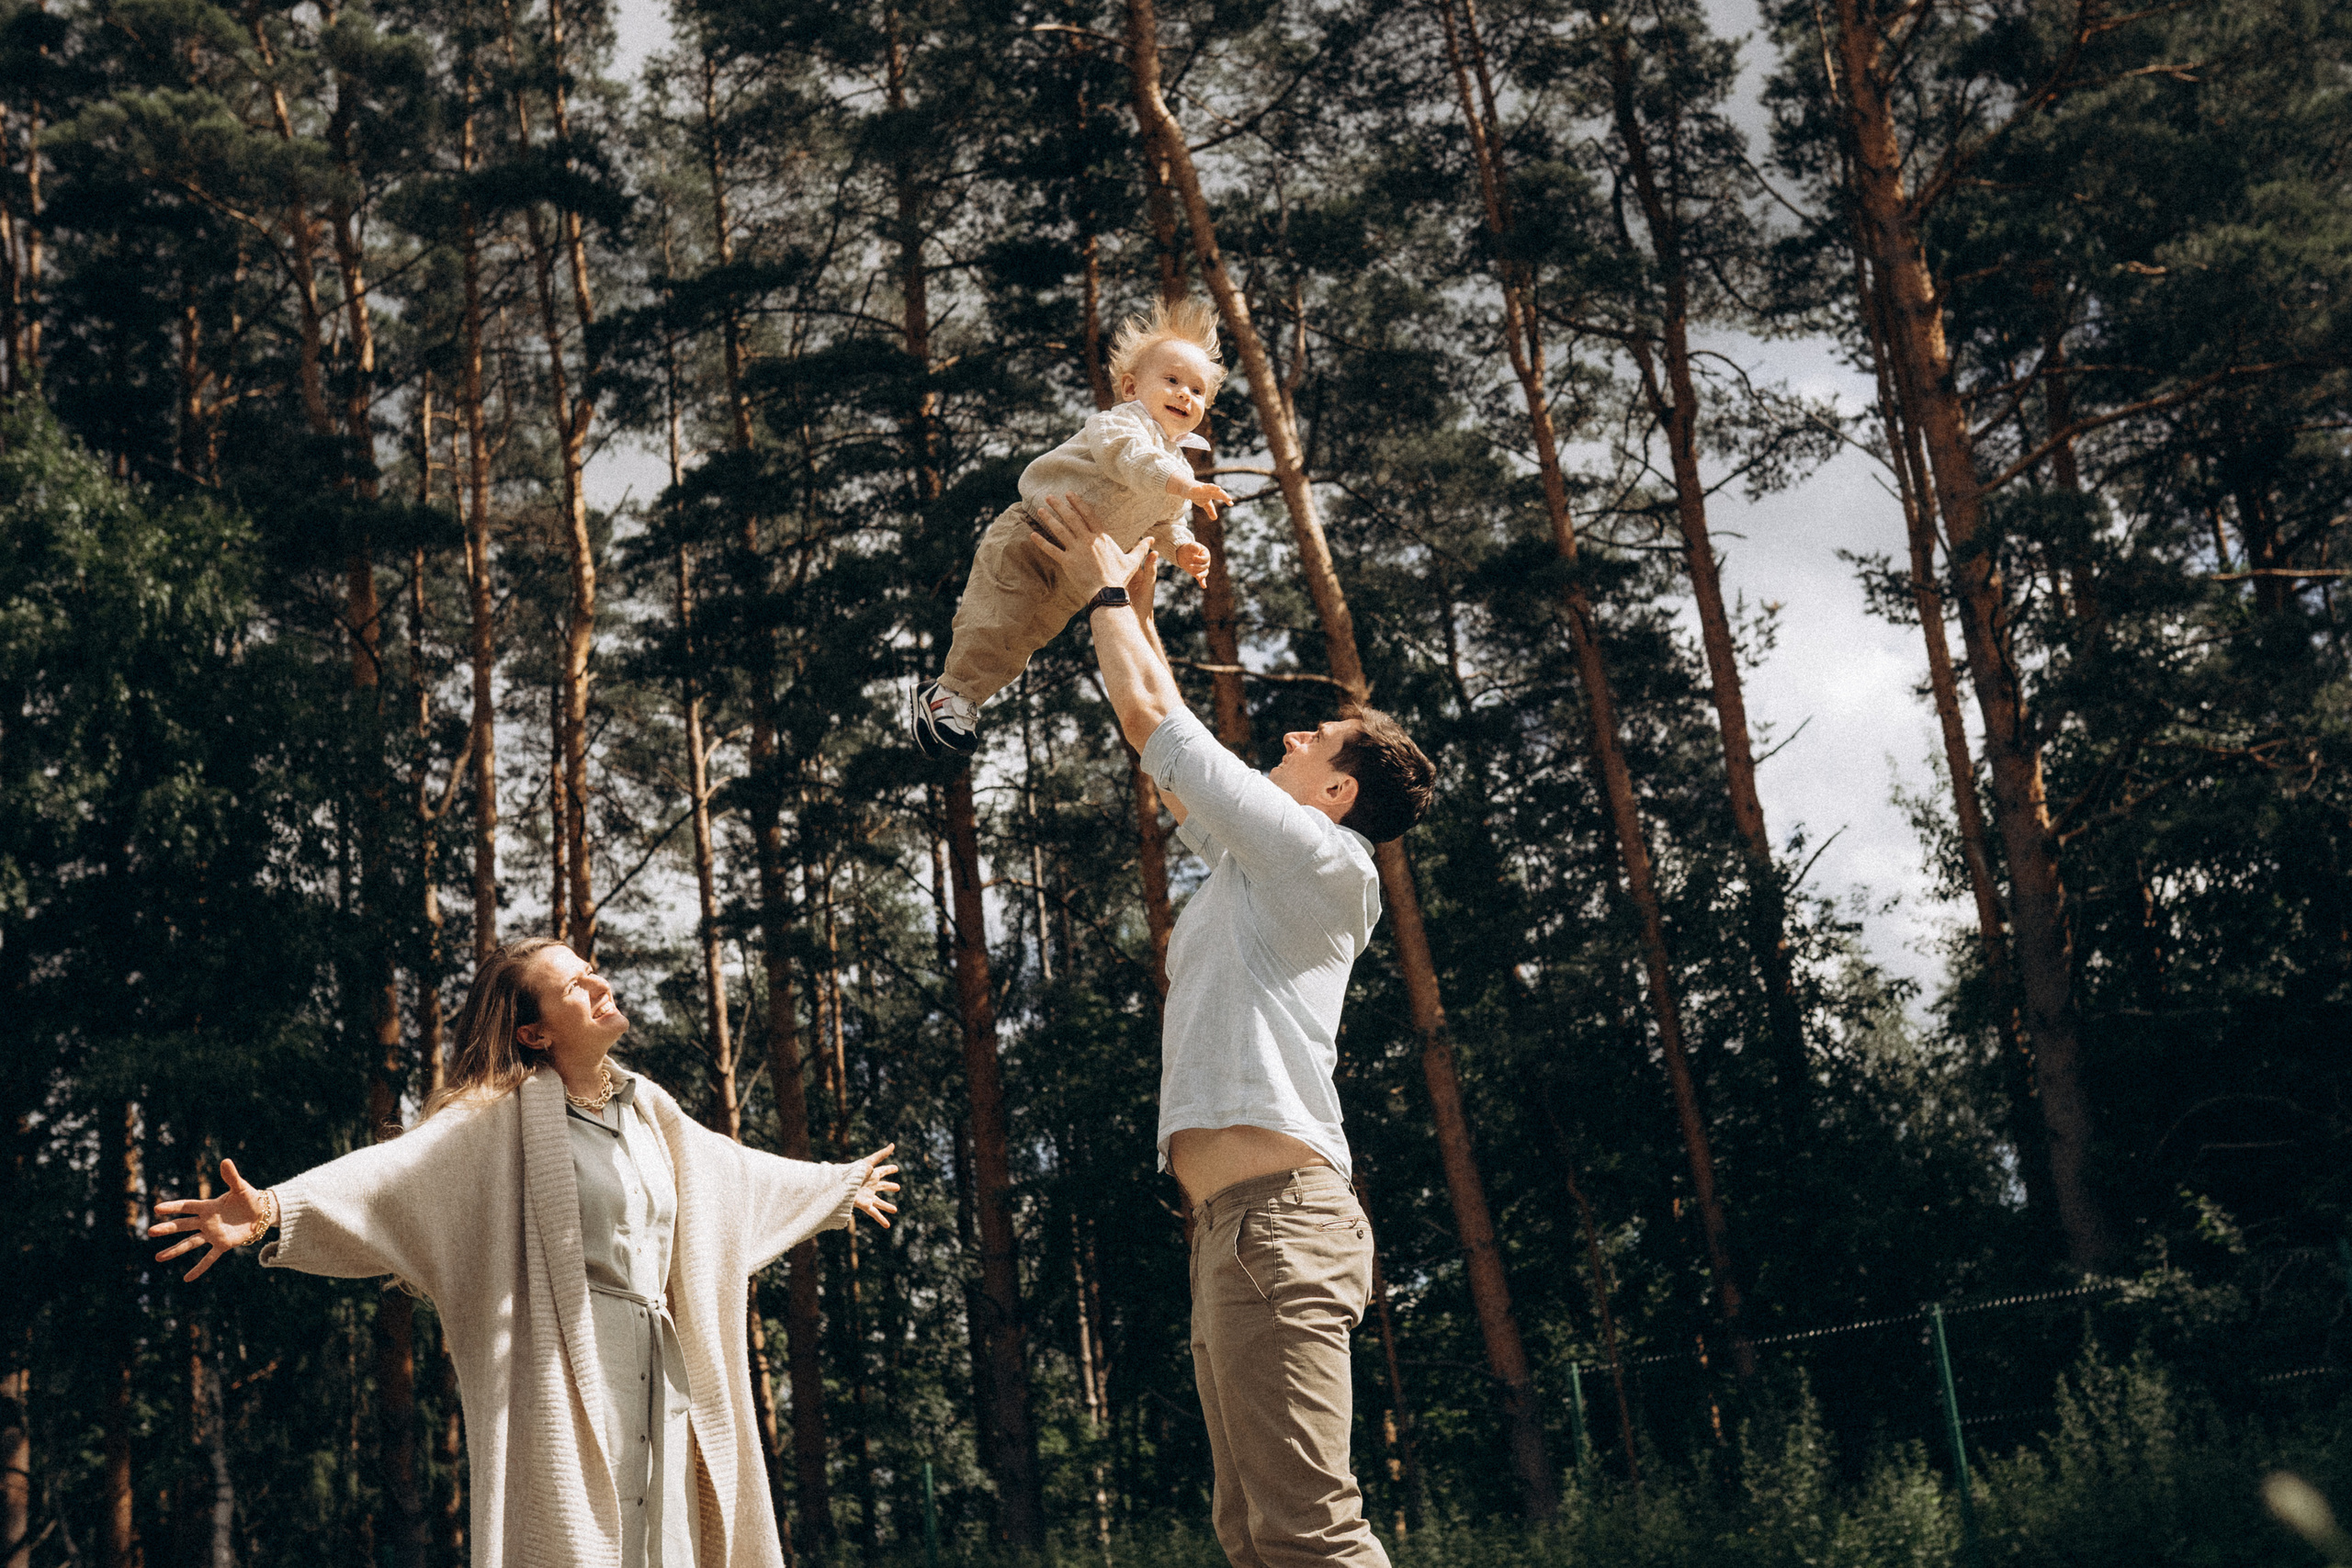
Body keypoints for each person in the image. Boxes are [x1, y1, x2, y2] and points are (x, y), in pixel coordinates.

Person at [147, 937, 899, 1568]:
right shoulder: (494, 1124)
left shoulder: (651, 1110)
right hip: (568, 1369)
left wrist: (835, 1187)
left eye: (594, 971)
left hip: (667, 1373)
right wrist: (276, 1209)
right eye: (576, 984)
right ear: (534, 1033)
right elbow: (391, 1181)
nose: (601, 984)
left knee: (667, 1544)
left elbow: (734, 1176)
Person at [1026, 491, 1435, 1567]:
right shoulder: (1264, 861)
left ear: (1337, 789)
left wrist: (1106, 589)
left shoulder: (1321, 860)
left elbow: (1153, 725)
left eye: (1317, 736)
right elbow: (1162, 726)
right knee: (1254, 1540)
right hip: (1231, 1231)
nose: (1292, 732)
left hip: (1281, 1225)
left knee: (1309, 1534)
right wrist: (1140, 588)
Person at [910, 297, 1235, 759]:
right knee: (997, 617)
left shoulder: (1175, 464)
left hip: (1075, 571)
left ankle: (962, 699)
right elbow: (1130, 461)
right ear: (1129, 387)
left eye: (1198, 391)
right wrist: (1187, 485)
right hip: (1031, 535)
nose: (1186, 394)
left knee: (1022, 638)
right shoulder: (1121, 424)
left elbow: (1165, 522)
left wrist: (1183, 548)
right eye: (1172, 380)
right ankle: (949, 693)